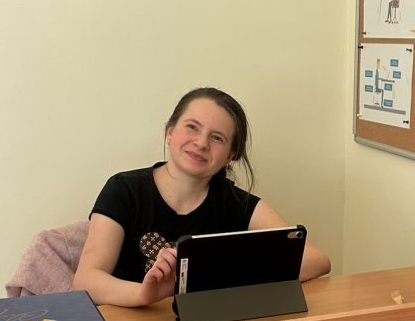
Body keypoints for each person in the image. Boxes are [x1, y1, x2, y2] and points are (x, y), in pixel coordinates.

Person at [73, 87, 331, 307]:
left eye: (217, 138)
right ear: (170, 132)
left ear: (230, 156)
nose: (201, 143)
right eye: (192, 127)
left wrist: (219, 276)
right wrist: (145, 295)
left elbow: (316, 260)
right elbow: (86, 281)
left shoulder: (236, 203)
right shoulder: (123, 190)